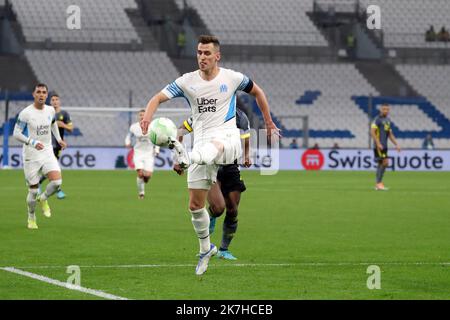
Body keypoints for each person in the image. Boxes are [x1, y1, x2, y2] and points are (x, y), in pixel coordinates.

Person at [140, 35, 280, 275]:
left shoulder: (232, 78)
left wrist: (268, 122)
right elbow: (157, 98)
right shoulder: (187, 82)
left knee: (215, 147)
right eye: (199, 53)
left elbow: (258, 92)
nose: (202, 57)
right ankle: (206, 248)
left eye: (206, 53)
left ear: (217, 56)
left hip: (228, 140)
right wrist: (147, 117)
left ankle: (187, 158)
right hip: (202, 144)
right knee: (196, 205)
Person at [174, 108, 252, 260]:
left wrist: (247, 155)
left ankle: (224, 250)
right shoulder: (203, 111)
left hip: (230, 166)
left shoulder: (240, 116)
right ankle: (208, 231)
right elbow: (181, 131)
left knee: (232, 210)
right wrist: (178, 157)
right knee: (218, 208)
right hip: (208, 164)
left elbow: (246, 137)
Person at [13, 83, 67, 229]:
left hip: (47, 151)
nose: (42, 94)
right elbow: (16, 133)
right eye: (39, 92)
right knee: (33, 190)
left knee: (57, 183)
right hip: (31, 155)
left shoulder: (50, 110)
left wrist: (59, 139)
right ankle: (31, 216)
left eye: (44, 92)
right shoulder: (26, 113)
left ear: (46, 95)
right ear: (33, 94)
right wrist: (32, 142)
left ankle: (43, 199)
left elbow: (53, 124)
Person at [39, 92, 72, 199]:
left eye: (56, 99)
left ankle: (37, 182)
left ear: (59, 101)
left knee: (51, 168)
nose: (55, 102)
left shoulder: (64, 114)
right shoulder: (45, 113)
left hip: (58, 146)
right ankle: (58, 190)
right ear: (50, 102)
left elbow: (71, 128)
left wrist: (63, 125)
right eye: (53, 100)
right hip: (47, 145)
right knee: (54, 168)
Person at [125, 109, 160, 199]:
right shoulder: (134, 127)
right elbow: (128, 136)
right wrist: (127, 142)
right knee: (140, 174)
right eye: (140, 115)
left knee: (147, 176)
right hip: (138, 153)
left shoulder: (153, 127)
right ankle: (141, 193)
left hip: (149, 154)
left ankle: (143, 183)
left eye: (144, 115)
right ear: (138, 116)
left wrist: (157, 149)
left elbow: (157, 140)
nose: (142, 116)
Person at [370, 104, 401, 191]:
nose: (385, 111)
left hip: (385, 145)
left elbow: (390, 134)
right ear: (380, 109)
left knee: (382, 163)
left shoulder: (388, 120)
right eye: (384, 109)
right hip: (379, 145)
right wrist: (378, 143)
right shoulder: (377, 119)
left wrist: (396, 144)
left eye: (387, 109)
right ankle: (379, 183)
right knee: (385, 162)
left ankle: (378, 183)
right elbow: (372, 132)